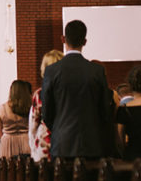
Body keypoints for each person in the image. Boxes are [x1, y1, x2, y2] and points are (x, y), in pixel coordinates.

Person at [41, 20, 117, 158]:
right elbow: (104, 110)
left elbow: (46, 113)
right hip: (92, 143)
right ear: (85, 41)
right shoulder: (96, 71)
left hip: (62, 143)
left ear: (63, 39)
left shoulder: (51, 71)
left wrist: (59, 127)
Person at [29, 50, 64, 162]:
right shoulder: (69, 91)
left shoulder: (40, 94)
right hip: (66, 139)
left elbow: (34, 125)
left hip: (45, 140)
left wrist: (34, 143)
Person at [0, 80, 32, 158]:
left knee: (8, 168)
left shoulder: (2, 108)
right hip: (26, 141)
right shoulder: (30, 107)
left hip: (7, 142)